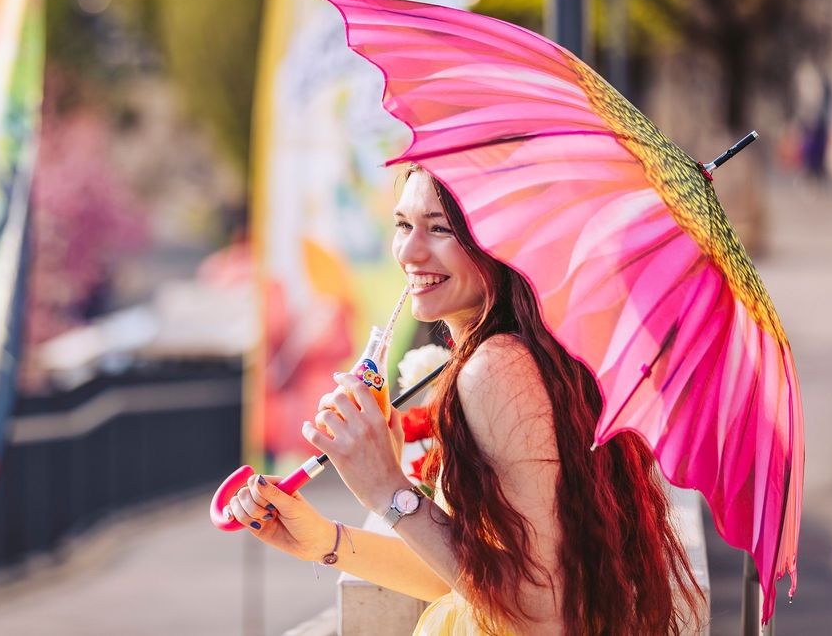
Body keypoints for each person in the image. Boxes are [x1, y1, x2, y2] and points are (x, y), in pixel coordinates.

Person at [225, 164, 703, 635]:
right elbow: (465, 577)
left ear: (500, 242)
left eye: (440, 229)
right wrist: (325, 541)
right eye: (403, 225)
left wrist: (387, 487)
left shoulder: (497, 367)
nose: (410, 251)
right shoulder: (527, 352)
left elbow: (544, 612)